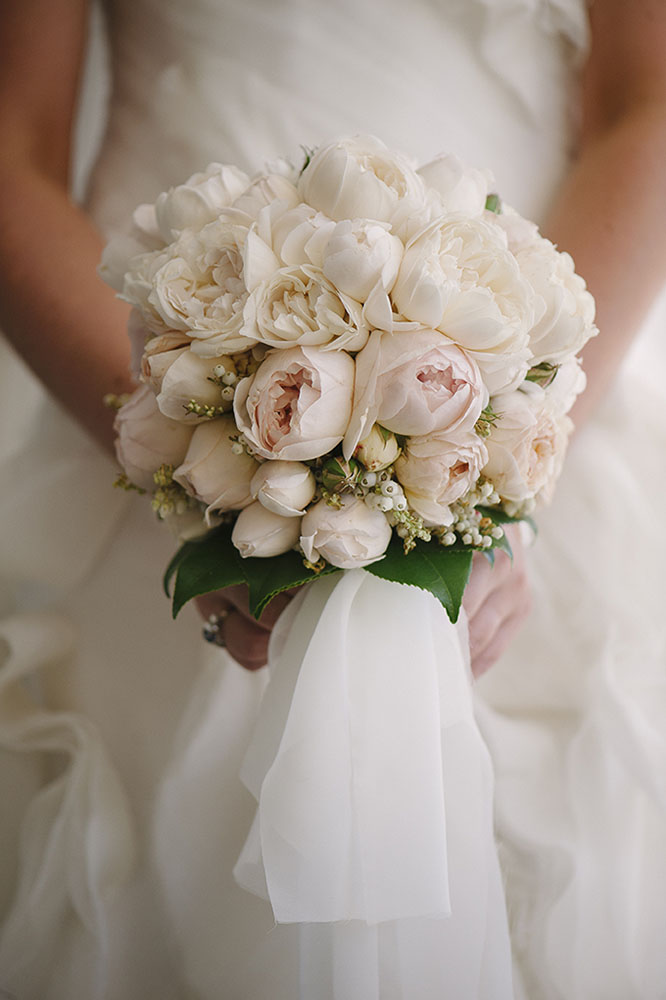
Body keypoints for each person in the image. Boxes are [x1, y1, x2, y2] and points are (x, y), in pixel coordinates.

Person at [0, 0, 664, 997]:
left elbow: (644, 105)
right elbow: (12, 141)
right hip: (151, 357)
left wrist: (506, 463)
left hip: (543, 357)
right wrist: (192, 450)